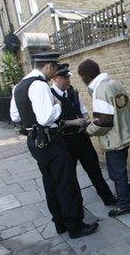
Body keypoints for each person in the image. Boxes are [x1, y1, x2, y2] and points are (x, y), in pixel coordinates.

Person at [10, 52, 98, 239]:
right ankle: (76, 227)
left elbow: (15, 116)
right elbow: (46, 117)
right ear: (49, 66)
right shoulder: (40, 84)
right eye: (56, 68)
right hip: (51, 140)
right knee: (66, 183)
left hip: (34, 141)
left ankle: (60, 223)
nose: (55, 73)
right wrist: (56, 105)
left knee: (50, 182)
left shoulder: (19, 86)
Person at [77, 59, 130, 217]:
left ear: (85, 77)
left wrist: (88, 130)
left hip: (114, 139)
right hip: (125, 134)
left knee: (116, 173)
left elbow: (104, 122)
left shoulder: (101, 90)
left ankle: (124, 205)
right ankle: (127, 196)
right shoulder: (115, 84)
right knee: (120, 170)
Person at [51, 63, 116, 206]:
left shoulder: (73, 92)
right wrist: (74, 122)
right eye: (64, 77)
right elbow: (52, 121)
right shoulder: (50, 96)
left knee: (94, 169)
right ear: (55, 78)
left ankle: (108, 199)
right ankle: (76, 206)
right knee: (69, 177)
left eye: (68, 76)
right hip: (65, 141)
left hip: (81, 137)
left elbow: (83, 109)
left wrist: (85, 120)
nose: (68, 80)